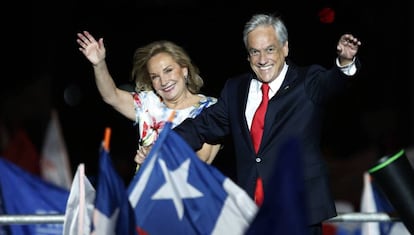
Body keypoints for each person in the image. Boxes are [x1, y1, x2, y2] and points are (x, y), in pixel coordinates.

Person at [173, 13, 362, 234]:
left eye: (270, 49)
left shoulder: (308, 81)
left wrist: (345, 63)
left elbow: (334, 83)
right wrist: (161, 143)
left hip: (298, 210)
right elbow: (202, 126)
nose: (263, 59)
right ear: (248, 55)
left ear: (285, 48)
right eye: (255, 51)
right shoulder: (236, 89)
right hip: (252, 213)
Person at [76, 31, 221, 168]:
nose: (163, 81)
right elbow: (111, 96)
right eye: (155, 77)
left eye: (168, 70)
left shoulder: (210, 108)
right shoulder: (148, 104)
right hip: (145, 192)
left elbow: (203, 160)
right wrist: (99, 64)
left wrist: (157, 155)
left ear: (184, 70)